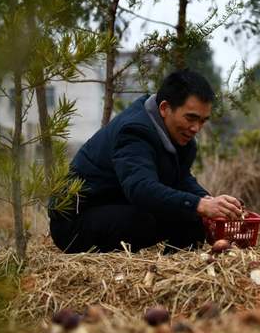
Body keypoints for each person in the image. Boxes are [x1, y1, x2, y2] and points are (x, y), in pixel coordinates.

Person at [49, 68, 243, 253]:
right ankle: (121, 273)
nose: (196, 128)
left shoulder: (179, 135)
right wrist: (199, 205)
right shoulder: (135, 131)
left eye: (202, 121)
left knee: (193, 216)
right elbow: (140, 190)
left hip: (118, 208)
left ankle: (175, 270)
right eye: (190, 118)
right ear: (164, 108)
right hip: (75, 222)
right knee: (142, 221)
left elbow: (180, 179)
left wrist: (206, 200)